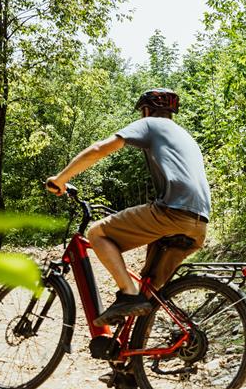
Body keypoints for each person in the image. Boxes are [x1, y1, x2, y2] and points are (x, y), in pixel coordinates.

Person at [45, 88, 211, 327]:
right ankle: (133, 356)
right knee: (149, 292)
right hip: (199, 223)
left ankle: (127, 292)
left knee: (97, 232)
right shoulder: (186, 136)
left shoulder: (151, 124)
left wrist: (61, 179)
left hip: (172, 212)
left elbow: (98, 149)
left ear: (146, 110)